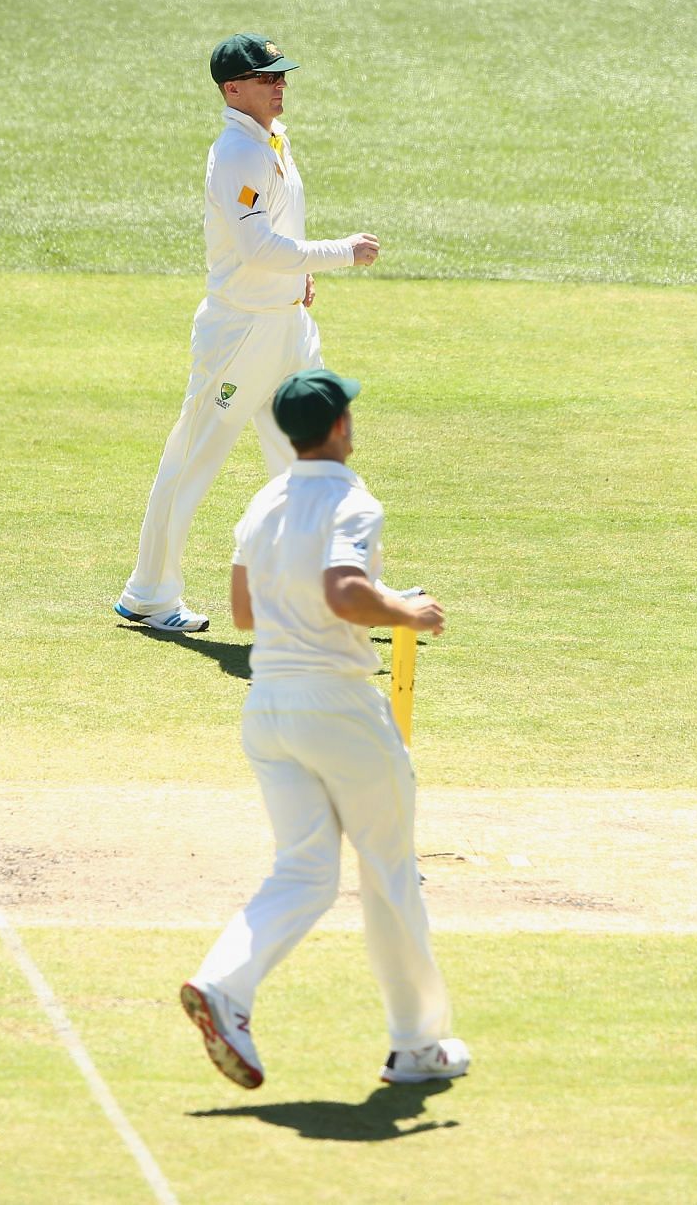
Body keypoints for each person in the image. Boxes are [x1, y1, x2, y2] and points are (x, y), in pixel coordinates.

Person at [178, 369, 468, 1089]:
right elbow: (343, 590)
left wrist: (361, 604)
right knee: (389, 869)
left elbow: (243, 611)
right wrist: (407, 612)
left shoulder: (265, 499)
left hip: (268, 709)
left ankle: (223, 986)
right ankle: (417, 1044)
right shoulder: (351, 499)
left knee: (304, 871)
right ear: (338, 426)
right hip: (337, 708)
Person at [114, 33, 382, 634]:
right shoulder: (236, 152)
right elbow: (256, 246)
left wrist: (305, 275)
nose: (279, 85)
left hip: (289, 325)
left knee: (314, 455)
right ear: (233, 89)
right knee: (193, 459)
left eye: (282, 76)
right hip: (242, 334)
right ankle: (150, 592)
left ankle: (344, 591)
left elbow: (282, 230)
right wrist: (341, 253)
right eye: (267, 79)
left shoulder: (273, 139)